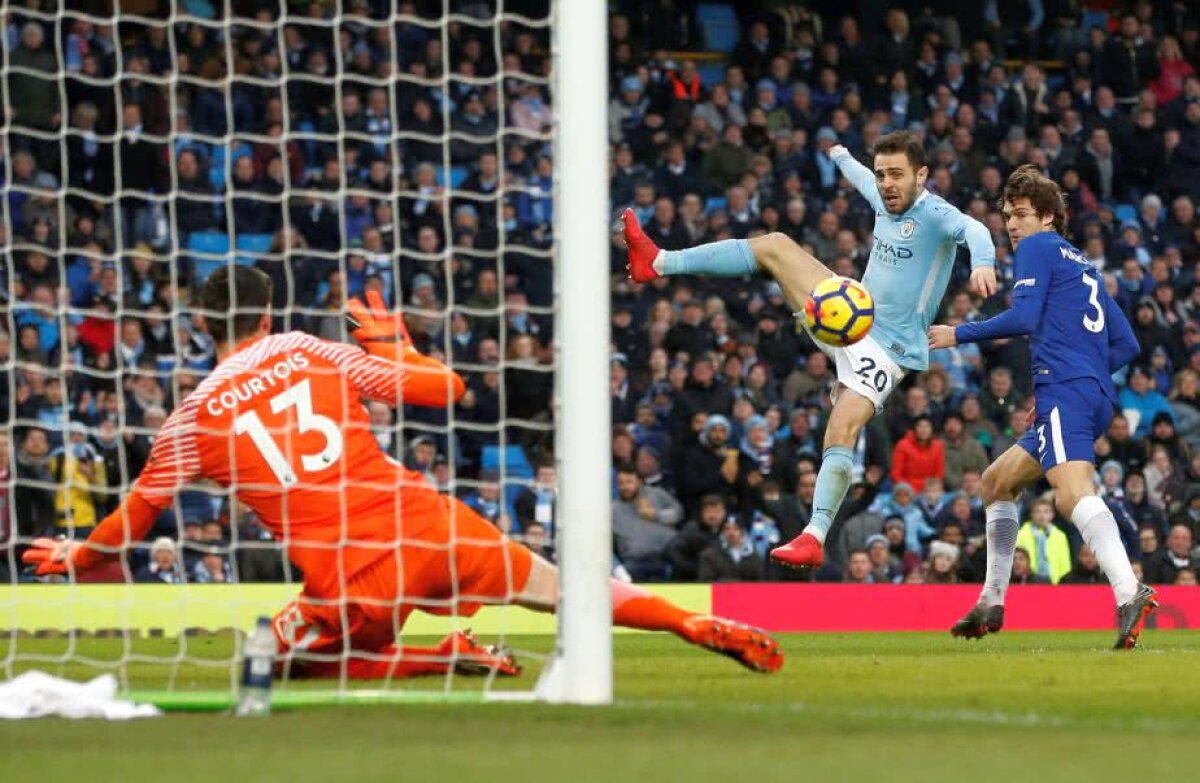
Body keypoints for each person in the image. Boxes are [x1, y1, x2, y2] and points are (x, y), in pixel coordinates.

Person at [24, 267, 782, 677]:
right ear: (264, 314)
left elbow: (138, 513)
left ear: (200, 325)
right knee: (567, 590)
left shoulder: (189, 416)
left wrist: (78, 554)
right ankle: (687, 619)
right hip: (429, 524)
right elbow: (446, 389)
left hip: (355, 578)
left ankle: (438, 655)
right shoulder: (308, 348)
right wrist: (396, 345)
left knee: (274, 654)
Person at [622, 131, 996, 571]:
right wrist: (841, 156)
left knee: (840, 433)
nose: (886, 183)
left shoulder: (936, 214)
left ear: (922, 174)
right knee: (775, 245)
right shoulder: (881, 195)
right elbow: (861, 178)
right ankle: (659, 261)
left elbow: (975, 229)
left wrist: (984, 261)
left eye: (897, 174)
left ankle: (814, 535)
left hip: (887, 352)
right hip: (847, 318)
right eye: (882, 174)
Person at [929, 165, 1156, 649]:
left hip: (1066, 390)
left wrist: (957, 333)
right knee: (996, 481)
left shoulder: (1038, 247)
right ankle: (991, 599)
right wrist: (1086, 374)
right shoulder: (1084, 266)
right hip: (1087, 394)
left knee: (1072, 495)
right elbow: (1127, 344)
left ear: (1049, 217)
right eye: (1008, 215)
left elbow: (1026, 317)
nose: (1012, 225)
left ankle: (1128, 589)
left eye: (1022, 214)